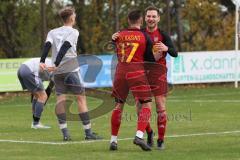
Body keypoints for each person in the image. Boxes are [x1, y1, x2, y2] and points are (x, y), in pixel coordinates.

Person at [112, 6, 178, 149]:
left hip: (158, 74)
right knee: (139, 107)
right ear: (144, 18)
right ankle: (148, 132)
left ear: (158, 19)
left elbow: (175, 52)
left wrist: (167, 49)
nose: (151, 19)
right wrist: (114, 38)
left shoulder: (163, 35)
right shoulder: (139, 33)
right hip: (141, 73)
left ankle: (160, 140)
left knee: (160, 105)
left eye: (154, 16)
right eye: (149, 16)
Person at [39, 7, 101, 141]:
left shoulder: (52, 32)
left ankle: (65, 134)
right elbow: (65, 46)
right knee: (81, 99)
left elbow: (47, 45)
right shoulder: (74, 32)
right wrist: (55, 64)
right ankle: (88, 133)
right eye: (74, 16)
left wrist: (42, 61)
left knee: (60, 101)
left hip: (58, 73)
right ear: (72, 18)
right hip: (71, 70)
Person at [17, 58, 53, 129]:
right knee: (43, 96)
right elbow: (49, 89)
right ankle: (36, 123)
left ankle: (35, 122)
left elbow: (39, 90)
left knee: (37, 96)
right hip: (28, 71)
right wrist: (42, 104)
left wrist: (40, 103)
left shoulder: (52, 65)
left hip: (21, 69)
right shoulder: (56, 71)